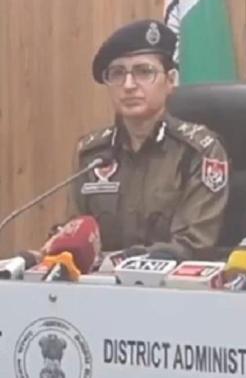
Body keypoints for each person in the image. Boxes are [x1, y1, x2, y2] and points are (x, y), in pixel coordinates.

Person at [47, 19, 229, 258]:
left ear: (171, 80)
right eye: (117, 73)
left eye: (144, 72)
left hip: (169, 279)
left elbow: (192, 245)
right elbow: (77, 232)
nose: (129, 85)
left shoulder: (199, 151)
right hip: (99, 280)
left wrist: (121, 262)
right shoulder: (92, 154)